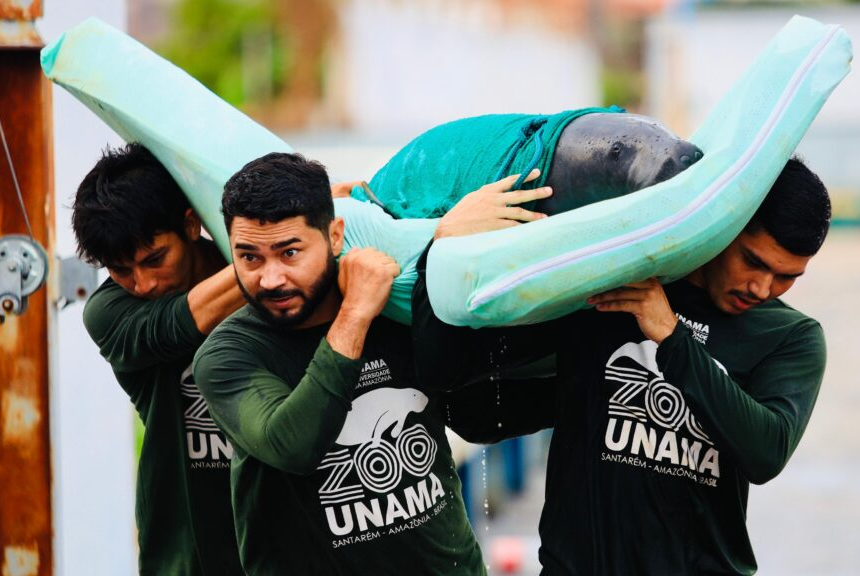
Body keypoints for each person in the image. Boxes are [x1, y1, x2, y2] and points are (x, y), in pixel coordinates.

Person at [412, 157, 830, 575]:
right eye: (753, 261)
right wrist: (442, 250)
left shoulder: (791, 338)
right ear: (726, 222)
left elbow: (765, 453)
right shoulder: (612, 291)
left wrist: (672, 338)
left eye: (787, 276)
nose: (762, 287)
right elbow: (473, 407)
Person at [191, 152, 552, 575]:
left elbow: (471, 401)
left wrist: (446, 238)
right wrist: (356, 313)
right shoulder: (228, 355)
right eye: (249, 257)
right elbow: (293, 445)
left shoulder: (396, 309)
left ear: (335, 236)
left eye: (289, 253)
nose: (270, 278)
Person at [74, 143, 245, 575]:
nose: (143, 284)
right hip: (190, 552)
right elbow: (181, 321)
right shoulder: (109, 313)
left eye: (155, 259)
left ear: (190, 224)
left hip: (290, 537)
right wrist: (288, 246)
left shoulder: (245, 264)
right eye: (120, 270)